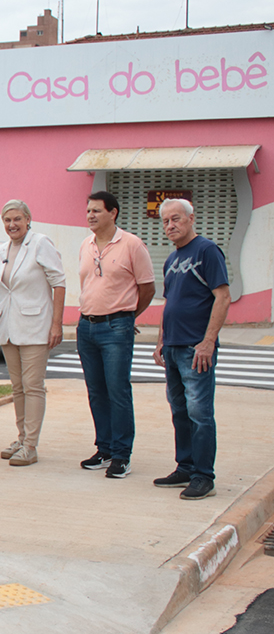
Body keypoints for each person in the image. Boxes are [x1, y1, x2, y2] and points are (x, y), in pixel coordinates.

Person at [0, 200, 66, 467]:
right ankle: (21, 437)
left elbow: (58, 283)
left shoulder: (40, 243)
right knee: (18, 388)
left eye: (17, 219)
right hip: (8, 327)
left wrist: (57, 324)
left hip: (35, 326)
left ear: (28, 219)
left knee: (33, 386)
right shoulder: (3, 249)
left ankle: (31, 446)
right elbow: (7, 289)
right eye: (7, 220)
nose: (12, 225)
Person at [152, 199, 231, 501]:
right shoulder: (172, 259)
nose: (170, 225)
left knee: (200, 413)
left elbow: (222, 296)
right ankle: (185, 466)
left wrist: (208, 341)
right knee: (180, 412)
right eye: (165, 221)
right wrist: (161, 340)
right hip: (173, 347)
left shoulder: (207, 251)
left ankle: (203, 476)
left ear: (190, 219)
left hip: (195, 348)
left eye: (176, 219)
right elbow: (169, 303)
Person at [76, 191, 155, 480]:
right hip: (87, 327)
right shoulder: (86, 244)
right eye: (88, 211)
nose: (91, 216)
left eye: (97, 211)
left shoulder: (132, 244)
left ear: (113, 213)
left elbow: (147, 287)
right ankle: (104, 448)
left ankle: (122, 455)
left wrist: (128, 316)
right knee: (96, 391)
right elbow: (86, 283)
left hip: (116, 327)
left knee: (118, 391)